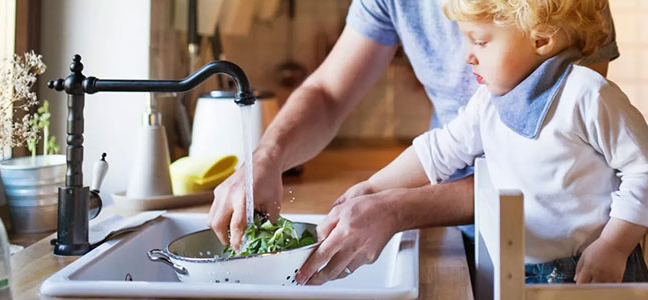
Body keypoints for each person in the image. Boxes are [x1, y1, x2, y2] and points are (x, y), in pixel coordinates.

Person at [208, 0, 621, 286]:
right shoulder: (482, 105)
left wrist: (403, 207)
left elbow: (553, 160)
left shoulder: (565, 13)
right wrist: (267, 157)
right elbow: (331, 94)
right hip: (467, 229)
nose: (465, 56)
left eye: (476, 41)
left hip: (567, 248)